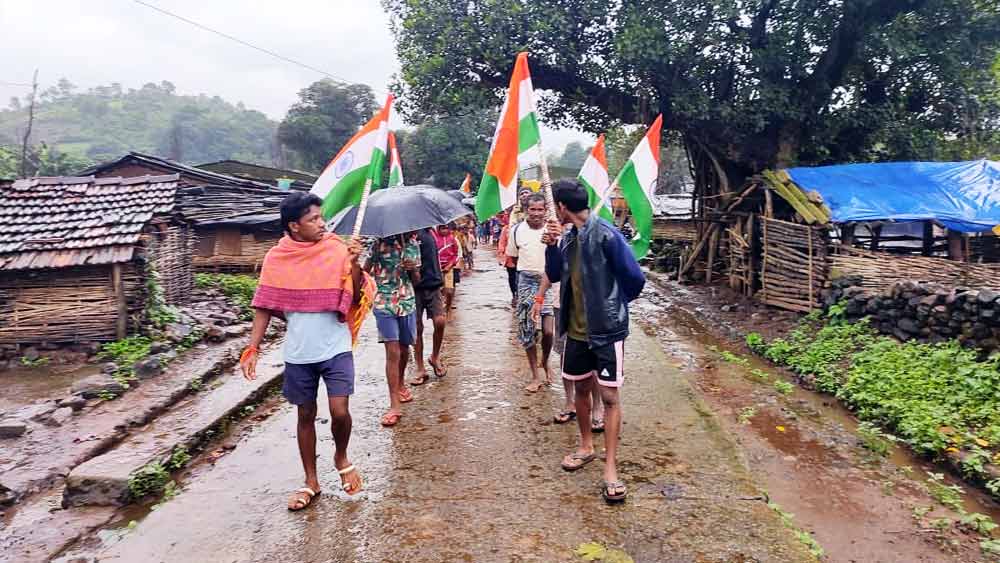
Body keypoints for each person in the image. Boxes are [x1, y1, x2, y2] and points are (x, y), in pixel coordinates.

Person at [240, 192, 375, 510]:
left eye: (321, 216)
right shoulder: (277, 258)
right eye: (313, 219)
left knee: (340, 410)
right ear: (294, 226)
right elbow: (264, 304)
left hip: (336, 346)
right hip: (299, 352)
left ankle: (341, 456)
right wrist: (253, 347)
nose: (322, 223)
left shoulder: (337, 249)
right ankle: (310, 480)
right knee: (305, 414)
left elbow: (354, 295)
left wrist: (354, 264)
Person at [541, 179, 645, 504]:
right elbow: (557, 275)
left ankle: (610, 468)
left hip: (607, 333)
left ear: (560, 206)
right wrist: (549, 245)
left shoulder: (607, 234)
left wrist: (613, 308)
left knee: (610, 397)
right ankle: (586, 446)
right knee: (582, 391)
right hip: (575, 331)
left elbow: (635, 279)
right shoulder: (568, 237)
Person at [366, 233, 422, 427]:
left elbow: (417, 279)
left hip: (407, 302)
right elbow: (365, 271)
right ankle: (394, 405)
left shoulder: (413, 244)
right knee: (393, 351)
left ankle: (400, 383)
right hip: (384, 303)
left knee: (405, 348)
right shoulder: (377, 244)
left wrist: (412, 269)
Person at [506, 193, 555, 392]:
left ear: (545, 211)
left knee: (549, 331)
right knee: (528, 331)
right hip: (525, 280)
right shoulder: (516, 230)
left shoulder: (552, 230)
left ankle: (545, 361)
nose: (536, 213)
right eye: (532, 209)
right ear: (526, 210)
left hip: (549, 280)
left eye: (540, 209)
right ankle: (535, 376)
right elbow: (513, 259)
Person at [411, 227, 448, 384]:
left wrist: (441, 280)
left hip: (433, 284)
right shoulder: (406, 235)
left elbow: (435, 259)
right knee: (417, 328)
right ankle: (420, 367)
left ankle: (434, 356)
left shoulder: (430, 231)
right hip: (414, 287)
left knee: (440, 321)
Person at [432, 224, 460, 315]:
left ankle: (448, 309)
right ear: (438, 229)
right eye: (442, 228)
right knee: (439, 291)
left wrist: (451, 264)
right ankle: (440, 310)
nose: (444, 230)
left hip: (449, 267)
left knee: (449, 290)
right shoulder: (434, 239)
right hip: (437, 268)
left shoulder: (452, 239)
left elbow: (456, 254)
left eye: (446, 228)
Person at [496, 213, 518, 306]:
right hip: (510, 259)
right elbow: (502, 243)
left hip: (524, 259)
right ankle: (514, 295)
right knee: (512, 278)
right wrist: (501, 255)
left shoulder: (526, 227)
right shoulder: (506, 229)